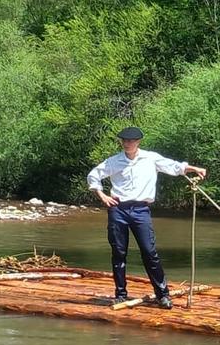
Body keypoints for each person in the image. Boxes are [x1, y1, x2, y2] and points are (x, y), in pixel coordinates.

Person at [87, 127, 207, 308]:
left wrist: (194, 169)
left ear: (138, 142)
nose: (127, 144)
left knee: (149, 252)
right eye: (124, 141)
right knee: (119, 253)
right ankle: (121, 294)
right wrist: (102, 196)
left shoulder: (151, 158)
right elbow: (93, 175)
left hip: (141, 210)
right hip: (118, 209)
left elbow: (174, 167)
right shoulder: (114, 161)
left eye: (131, 141)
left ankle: (162, 295)